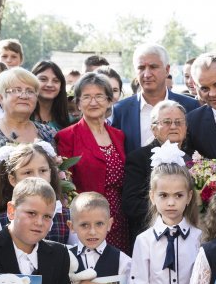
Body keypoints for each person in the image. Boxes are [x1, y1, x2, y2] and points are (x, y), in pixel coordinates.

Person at [129, 149, 201, 284]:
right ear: (152, 196)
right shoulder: (144, 241)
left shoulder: (200, 238)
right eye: (164, 195)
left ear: (189, 196)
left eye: (178, 195)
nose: (171, 202)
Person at [56, 72, 128, 251]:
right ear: (78, 103)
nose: (93, 102)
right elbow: (65, 183)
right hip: (87, 221)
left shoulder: (119, 136)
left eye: (99, 96)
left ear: (110, 101)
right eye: (86, 97)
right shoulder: (67, 137)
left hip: (119, 217)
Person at [121, 100, 190, 242]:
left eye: (178, 122)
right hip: (150, 236)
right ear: (154, 129)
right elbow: (131, 204)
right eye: (166, 122)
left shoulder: (191, 159)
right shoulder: (138, 158)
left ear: (186, 127)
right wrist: (170, 212)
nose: (173, 127)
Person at [112, 43, 199, 154]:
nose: (147, 74)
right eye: (141, 68)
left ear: (167, 70)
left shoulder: (191, 106)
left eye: (153, 67)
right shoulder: (120, 110)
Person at [0, 142, 72, 245]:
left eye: (43, 170)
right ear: (12, 179)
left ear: (50, 174)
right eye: (27, 172)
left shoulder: (68, 217)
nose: (37, 177)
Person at [30, 61, 70, 131]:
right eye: (43, 79)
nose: (49, 85)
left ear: (61, 86)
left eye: (55, 80)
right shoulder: (22, 116)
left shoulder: (69, 120)